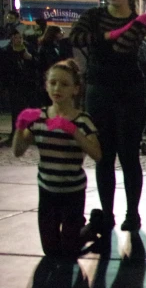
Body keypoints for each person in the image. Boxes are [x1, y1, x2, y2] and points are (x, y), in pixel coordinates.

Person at [70, 0, 146, 233]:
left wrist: (103, 40)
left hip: (128, 90)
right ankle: (107, 213)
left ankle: (132, 213)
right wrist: (106, 36)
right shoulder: (94, 15)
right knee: (103, 155)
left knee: (128, 154)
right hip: (98, 89)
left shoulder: (139, 22)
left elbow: (121, 48)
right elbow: (75, 38)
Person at [12, 60, 102, 257]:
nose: (57, 88)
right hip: (47, 191)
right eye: (52, 83)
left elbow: (97, 154)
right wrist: (20, 127)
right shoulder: (39, 118)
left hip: (73, 191)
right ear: (46, 86)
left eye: (64, 84)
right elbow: (18, 152)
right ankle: (85, 228)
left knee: (70, 250)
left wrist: (74, 132)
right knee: (50, 250)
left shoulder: (82, 120)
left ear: (75, 89)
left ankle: (90, 228)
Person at [2, 31, 37, 135]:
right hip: (14, 83)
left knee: (29, 109)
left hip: (28, 83)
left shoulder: (28, 48)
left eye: (20, 37)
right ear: (12, 38)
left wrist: (30, 58)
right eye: (16, 37)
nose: (19, 40)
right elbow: (4, 69)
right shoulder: (6, 51)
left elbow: (37, 64)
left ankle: (28, 132)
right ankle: (16, 132)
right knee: (16, 110)